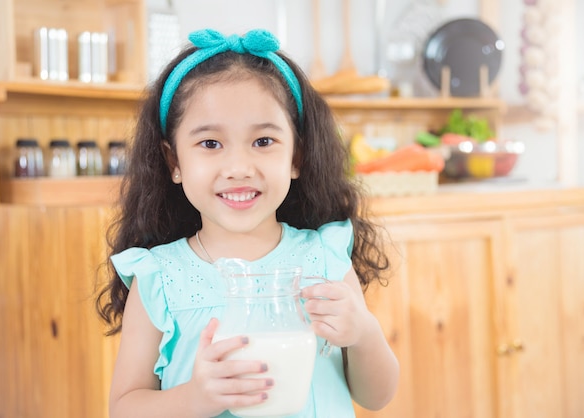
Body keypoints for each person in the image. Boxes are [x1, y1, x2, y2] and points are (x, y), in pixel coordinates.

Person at [96, 28, 399, 418]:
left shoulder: (325, 260)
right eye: (210, 144)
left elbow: (377, 396)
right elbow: (124, 408)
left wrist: (364, 335)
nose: (239, 168)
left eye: (263, 142)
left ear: (296, 156)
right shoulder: (160, 279)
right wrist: (198, 397)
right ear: (174, 162)